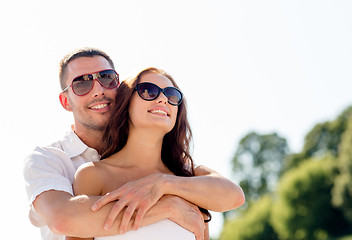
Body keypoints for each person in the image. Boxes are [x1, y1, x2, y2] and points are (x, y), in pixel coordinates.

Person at [23, 48, 245, 240]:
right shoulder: (54, 161)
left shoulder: (185, 175)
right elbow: (64, 219)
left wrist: (162, 183)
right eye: (82, 83)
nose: (98, 89)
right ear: (65, 101)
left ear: (120, 92)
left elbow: (233, 196)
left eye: (107, 78)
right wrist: (166, 206)